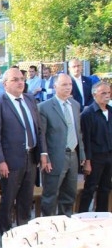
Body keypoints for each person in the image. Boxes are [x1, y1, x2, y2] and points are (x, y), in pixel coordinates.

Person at [0, 68, 46, 234]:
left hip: (31, 157)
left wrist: (43, 153)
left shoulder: (30, 99)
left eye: (22, 79)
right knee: (8, 200)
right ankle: (6, 234)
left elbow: (39, 129)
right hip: (10, 161)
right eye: (15, 80)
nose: (20, 82)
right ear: (5, 84)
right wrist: (0, 161)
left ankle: (23, 233)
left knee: (26, 199)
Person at [38, 74, 85, 217]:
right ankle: (49, 225)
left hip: (73, 155)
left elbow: (78, 131)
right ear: (55, 86)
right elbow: (42, 135)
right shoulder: (44, 107)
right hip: (55, 158)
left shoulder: (75, 105)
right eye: (64, 84)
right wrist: (45, 157)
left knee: (69, 194)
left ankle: (65, 223)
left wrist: (82, 154)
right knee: (51, 196)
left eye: (70, 84)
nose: (68, 87)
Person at [79, 82, 112, 212]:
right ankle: (82, 215)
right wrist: (87, 161)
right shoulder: (88, 114)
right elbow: (85, 139)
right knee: (90, 188)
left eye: (108, 93)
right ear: (94, 95)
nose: (107, 96)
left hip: (109, 156)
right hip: (95, 157)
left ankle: (101, 215)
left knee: (105, 188)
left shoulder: (110, 111)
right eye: (103, 93)